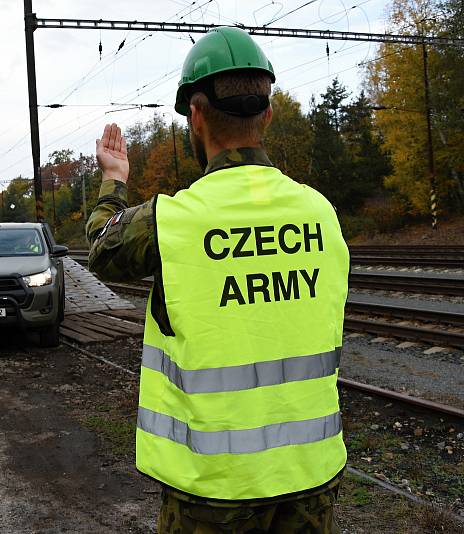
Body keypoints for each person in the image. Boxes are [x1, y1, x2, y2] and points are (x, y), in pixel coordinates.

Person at [87, 27, 348, 533]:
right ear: (268, 113)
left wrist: (114, 179)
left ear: (196, 115)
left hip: (214, 488)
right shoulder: (322, 214)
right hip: (310, 475)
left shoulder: (173, 220)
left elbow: (100, 248)